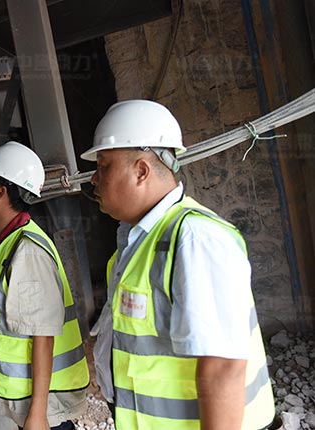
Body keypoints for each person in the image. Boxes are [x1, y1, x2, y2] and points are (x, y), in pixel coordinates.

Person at [83, 100, 276, 430]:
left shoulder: (195, 239)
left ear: (141, 171)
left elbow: (223, 369)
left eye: (103, 166)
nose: (93, 179)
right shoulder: (136, 242)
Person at [0, 141, 90, 430]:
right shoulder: (8, 239)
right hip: (29, 392)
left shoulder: (27, 251)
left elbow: (43, 335)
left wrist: (38, 413)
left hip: (45, 401)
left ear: (1, 192)